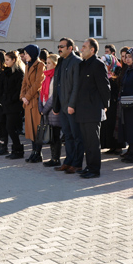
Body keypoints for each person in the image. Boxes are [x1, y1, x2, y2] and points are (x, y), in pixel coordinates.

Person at [74, 38, 110, 179]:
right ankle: (88, 166)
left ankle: (94, 170)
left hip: (93, 110)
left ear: (92, 50)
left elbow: (105, 88)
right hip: (82, 109)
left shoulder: (98, 64)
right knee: (87, 142)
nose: (81, 49)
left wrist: (105, 106)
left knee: (93, 142)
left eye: (84, 47)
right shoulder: (83, 65)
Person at [52, 37, 84, 174]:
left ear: (70, 48)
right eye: (58, 46)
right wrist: (56, 106)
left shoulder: (77, 62)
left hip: (72, 107)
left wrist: (72, 104)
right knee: (67, 135)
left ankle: (77, 164)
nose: (59, 49)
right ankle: (68, 161)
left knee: (77, 136)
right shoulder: (61, 62)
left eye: (62, 46)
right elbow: (57, 85)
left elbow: (77, 86)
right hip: (63, 106)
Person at [20, 44, 45, 163]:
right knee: (30, 129)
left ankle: (38, 153)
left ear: (33, 54)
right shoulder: (27, 66)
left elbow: (38, 83)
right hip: (28, 102)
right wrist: (22, 97)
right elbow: (24, 82)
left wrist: (27, 96)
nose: (25, 56)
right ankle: (33, 152)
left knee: (37, 129)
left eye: (26, 53)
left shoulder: (40, 65)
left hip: (35, 100)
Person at [1, 50, 25, 159]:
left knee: (11, 127)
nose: (5, 62)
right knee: (10, 128)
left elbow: (18, 89)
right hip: (7, 103)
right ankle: (16, 150)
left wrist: (10, 99)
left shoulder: (19, 72)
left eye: (7, 60)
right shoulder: (7, 71)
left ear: (14, 60)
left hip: (14, 105)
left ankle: (18, 150)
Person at [39, 54, 62, 167]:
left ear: (55, 64)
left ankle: (56, 158)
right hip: (45, 110)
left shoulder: (56, 77)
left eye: (48, 63)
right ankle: (53, 158)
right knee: (51, 135)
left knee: (55, 136)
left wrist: (45, 109)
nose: (46, 65)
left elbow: (54, 97)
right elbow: (41, 93)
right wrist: (40, 107)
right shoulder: (46, 76)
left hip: (53, 110)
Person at [100, 54, 123, 155]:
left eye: (105, 63)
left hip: (115, 103)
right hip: (107, 103)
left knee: (115, 124)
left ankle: (118, 147)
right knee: (108, 125)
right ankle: (111, 146)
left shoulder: (118, 72)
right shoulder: (104, 73)